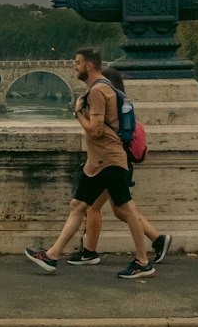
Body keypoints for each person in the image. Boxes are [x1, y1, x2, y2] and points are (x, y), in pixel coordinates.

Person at [24, 47, 161, 279]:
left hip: (107, 159)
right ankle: (52, 255)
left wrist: (78, 113)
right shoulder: (106, 87)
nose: (74, 67)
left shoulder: (98, 91)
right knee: (78, 205)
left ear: (88, 65)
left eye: (77, 63)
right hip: (99, 162)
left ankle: (143, 262)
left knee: (127, 211)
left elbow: (96, 130)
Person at [66, 66, 171, 267]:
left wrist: (79, 112)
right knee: (121, 210)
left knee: (94, 207)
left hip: (110, 165)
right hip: (118, 164)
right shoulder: (121, 108)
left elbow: (97, 134)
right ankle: (157, 239)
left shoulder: (108, 108)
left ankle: (90, 252)